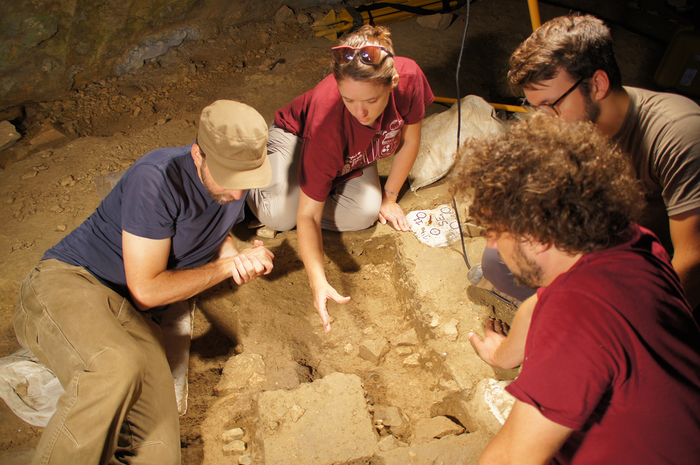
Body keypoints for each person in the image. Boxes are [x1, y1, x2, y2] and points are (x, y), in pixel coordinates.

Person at [13, 100, 275, 465]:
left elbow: (216, 231)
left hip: (135, 316)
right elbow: (148, 290)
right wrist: (225, 269)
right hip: (73, 281)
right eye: (229, 180)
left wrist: (237, 254)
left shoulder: (237, 177)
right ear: (199, 153)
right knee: (115, 368)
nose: (236, 194)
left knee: (158, 454)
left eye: (245, 181)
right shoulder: (156, 178)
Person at [451, 113, 700, 464]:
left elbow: (510, 457)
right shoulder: (630, 242)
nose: (491, 241)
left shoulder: (577, 321)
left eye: (495, 228)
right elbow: (539, 303)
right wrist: (502, 355)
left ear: (535, 236)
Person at [477, 14, 700, 312]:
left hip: (648, 260)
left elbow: (691, 259)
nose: (543, 118)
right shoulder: (569, 124)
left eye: (551, 105)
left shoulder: (677, 132)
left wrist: (638, 329)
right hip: (601, 240)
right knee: (497, 260)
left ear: (597, 84)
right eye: (534, 107)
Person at [247, 25, 434, 333]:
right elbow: (307, 216)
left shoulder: (410, 78)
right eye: (349, 99)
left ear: (393, 83)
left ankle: (318, 184)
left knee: (365, 212)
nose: (361, 111)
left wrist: (389, 197)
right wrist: (318, 281)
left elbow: (410, 140)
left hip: (353, 156)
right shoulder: (327, 120)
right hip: (297, 139)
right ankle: (264, 173)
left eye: (372, 100)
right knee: (279, 214)